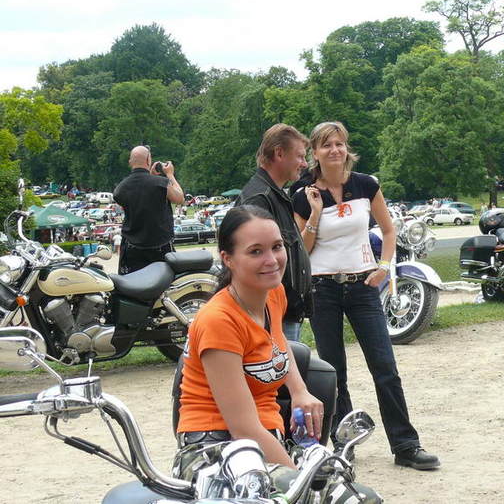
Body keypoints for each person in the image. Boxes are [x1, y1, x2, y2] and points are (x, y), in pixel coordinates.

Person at [175, 206, 379, 502]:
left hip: (265, 439)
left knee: (352, 492)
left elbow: (277, 342)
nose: (271, 260)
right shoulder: (219, 321)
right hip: (215, 450)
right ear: (228, 259)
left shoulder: (273, 293)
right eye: (256, 251)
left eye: (277, 247)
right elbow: (243, 427)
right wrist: (299, 481)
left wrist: (299, 390)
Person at [291, 121, 440, 470]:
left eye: (339, 144)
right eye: (326, 145)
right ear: (315, 152)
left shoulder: (366, 185)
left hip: (363, 286)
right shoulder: (303, 195)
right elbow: (302, 249)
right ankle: (343, 444)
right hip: (322, 288)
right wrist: (315, 213)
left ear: (347, 149)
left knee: (385, 367)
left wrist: (384, 266)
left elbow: (388, 230)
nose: (334, 150)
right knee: (334, 371)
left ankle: (406, 445)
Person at [236, 124, 313, 342]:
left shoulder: (274, 195)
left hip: (284, 312)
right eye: (300, 156)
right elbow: (253, 263)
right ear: (279, 153)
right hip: (273, 316)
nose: (305, 164)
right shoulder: (258, 199)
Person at [113, 145, 184, 274]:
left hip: (132, 249)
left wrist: (150, 177)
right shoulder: (161, 183)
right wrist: (170, 174)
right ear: (148, 160)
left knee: (133, 283)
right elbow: (179, 198)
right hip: (160, 247)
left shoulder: (120, 189)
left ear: (130, 162)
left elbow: (139, 192)